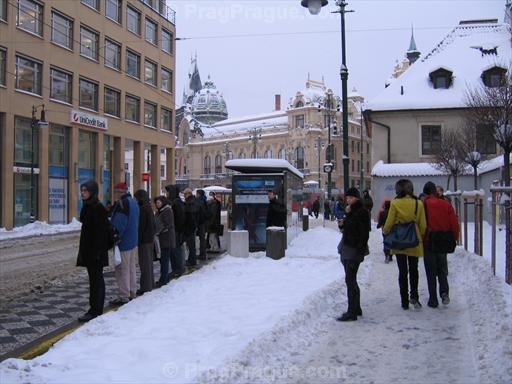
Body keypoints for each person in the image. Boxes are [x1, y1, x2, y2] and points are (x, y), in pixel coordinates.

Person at [383, 179, 427, 310]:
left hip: (399, 241)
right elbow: (423, 225)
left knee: (402, 272)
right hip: (414, 240)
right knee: (414, 270)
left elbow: (389, 222)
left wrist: (385, 231)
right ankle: (414, 296)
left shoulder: (395, 203)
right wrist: (420, 235)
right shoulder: (418, 203)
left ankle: (404, 301)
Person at [422, 182, 460, 308]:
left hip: (429, 241)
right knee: (442, 269)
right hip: (443, 241)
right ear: (435, 192)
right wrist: (454, 237)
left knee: (431, 271)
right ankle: (444, 293)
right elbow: (454, 223)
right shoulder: (446, 204)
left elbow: (421, 224)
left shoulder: (424, 204)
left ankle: (433, 299)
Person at [76, 180, 110, 322]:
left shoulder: (97, 208)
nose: (83, 193)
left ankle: (95, 309)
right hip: (90, 252)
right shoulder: (88, 207)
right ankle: (95, 308)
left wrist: (97, 252)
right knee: (94, 280)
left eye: (85, 190)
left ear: (92, 191)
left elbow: (101, 233)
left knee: (96, 281)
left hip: (95, 253)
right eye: (82, 190)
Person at [336, 188, 371, 322]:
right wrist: (342, 224)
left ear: (356, 198)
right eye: (347, 197)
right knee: (351, 280)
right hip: (347, 247)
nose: (348, 200)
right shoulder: (350, 211)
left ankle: (352, 312)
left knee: (350, 280)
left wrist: (360, 249)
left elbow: (364, 233)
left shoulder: (361, 212)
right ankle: (356, 308)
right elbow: (348, 229)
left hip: (354, 249)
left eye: (351, 197)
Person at [110, 182, 140, 305]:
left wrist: (115, 236)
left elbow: (119, 224)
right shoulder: (133, 202)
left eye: (116, 191)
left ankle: (124, 295)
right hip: (133, 240)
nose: (115, 194)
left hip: (124, 241)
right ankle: (132, 291)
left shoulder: (122, 204)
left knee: (122, 269)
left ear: (119, 192)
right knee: (131, 267)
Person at [133, 189, 155, 295]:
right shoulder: (148, 207)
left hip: (144, 240)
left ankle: (146, 287)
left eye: (136, 198)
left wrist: (138, 239)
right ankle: (149, 284)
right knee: (148, 263)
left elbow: (141, 227)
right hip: (149, 239)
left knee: (145, 264)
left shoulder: (142, 209)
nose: (134, 200)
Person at [154, 196, 176, 285]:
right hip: (161, 239)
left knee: (164, 260)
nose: (157, 204)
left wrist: (158, 231)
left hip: (166, 239)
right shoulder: (159, 212)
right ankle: (164, 278)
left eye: (159, 202)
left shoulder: (167, 211)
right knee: (162, 260)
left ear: (163, 202)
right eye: (156, 203)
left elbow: (168, 225)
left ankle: (164, 279)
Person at [165, 185, 185, 276]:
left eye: (168, 192)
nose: (166, 194)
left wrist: (178, 230)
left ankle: (178, 269)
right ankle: (177, 268)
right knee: (175, 250)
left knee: (175, 250)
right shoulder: (175, 202)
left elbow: (180, 218)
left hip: (176, 231)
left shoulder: (176, 203)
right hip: (176, 230)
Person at [183, 188, 198, 267]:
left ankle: (192, 261)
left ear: (189, 193)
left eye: (185, 194)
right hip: (192, 226)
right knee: (191, 245)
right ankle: (191, 260)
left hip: (190, 227)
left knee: (191, 245)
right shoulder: (192, 201)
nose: (184, 196)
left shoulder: (190, 202)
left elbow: (191, 215)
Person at [195, 189, 209, 260]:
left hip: (200, 222)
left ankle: (202, 254)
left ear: (199, 194)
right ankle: (202, 254)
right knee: (202, 238)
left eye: (196, 193)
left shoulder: (199, 201)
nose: (196, 195)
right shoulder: (204, 200)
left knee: (202, 239)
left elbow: (199, 212)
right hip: (203, 222)